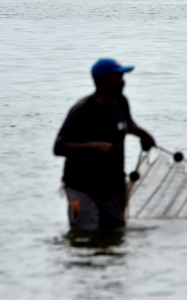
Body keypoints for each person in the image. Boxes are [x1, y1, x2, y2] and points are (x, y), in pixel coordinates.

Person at [54, 58, 155, 231]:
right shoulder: (82, 110)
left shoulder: (121, 102)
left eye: (122, 77)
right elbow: (59, 148)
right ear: (102, 81)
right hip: (82, 187)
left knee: (115, 235)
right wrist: (93, 146)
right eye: (118, 77)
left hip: (113, 187)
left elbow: (127, 124)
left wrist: (143, 135)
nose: (123, 81)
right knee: (85, 235)